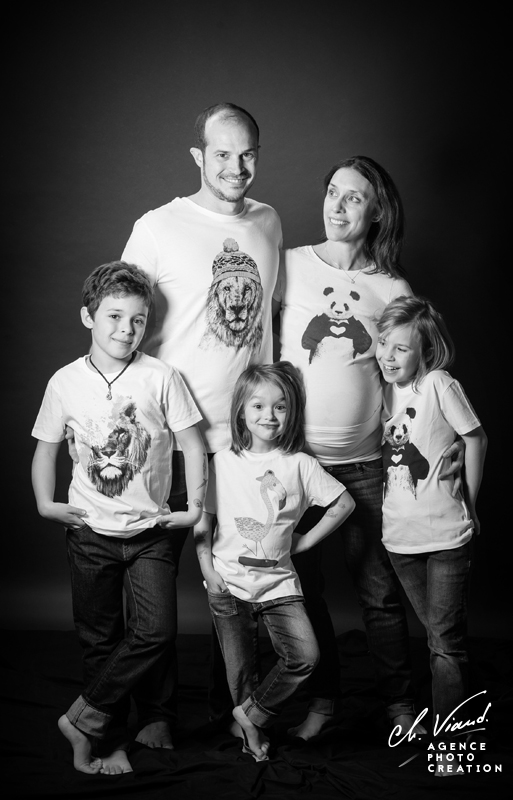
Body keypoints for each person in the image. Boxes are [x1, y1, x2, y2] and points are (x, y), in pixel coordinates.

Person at [273, 155, 464, 740]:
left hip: (366, 465)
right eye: (332, 191)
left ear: (377, 210)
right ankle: (322, 701)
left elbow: (413, 377)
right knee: (305, 592)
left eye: (354, 197)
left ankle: (398, 704)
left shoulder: (393, 287)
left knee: (379, 594)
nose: (337, 205)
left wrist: (452, 438)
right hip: (298, 463)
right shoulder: (289, 266)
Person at [121, 102, 282, 743]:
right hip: (169, 438)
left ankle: (232, 711)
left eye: (247, 155)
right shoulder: (157, 227)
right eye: (222, 154)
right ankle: (155, 715)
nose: (236, 167)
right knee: (154, 583)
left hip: (243, 440)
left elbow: (267, 326)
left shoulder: (268, 221)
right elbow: (121, 321)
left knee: (236, 586)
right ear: (198, 157)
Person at [31, 262, 206, 774]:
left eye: (137, 320)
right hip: (88, 532)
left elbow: (193, 445)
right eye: (114, 317)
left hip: (151, 531)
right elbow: (45, 450)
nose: (126, 330)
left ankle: (89, 718)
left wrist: (195, 507)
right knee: (99, 639)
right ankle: (107, 739)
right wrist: (44, 503)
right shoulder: (64, 382)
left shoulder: (161, 377)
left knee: (155, 632)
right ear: (88, 317)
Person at [193, 362, 355, 761]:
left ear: (291, 412)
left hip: (280, 583)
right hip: (229, 584)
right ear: (241, 411)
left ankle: (251, 716)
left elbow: (344, 503)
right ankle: (251, 736)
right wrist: (208, 570)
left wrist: (305, 541)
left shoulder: (299, 464)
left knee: (305, 656)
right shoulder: (221, 463)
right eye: (259, 406)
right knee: (240, 674)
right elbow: (203, 522)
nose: (269, 415)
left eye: (280, 407)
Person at [376, 295, 487, 757]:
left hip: (444, 535)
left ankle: (456, 746)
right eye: (383, 343)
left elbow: (475, 437)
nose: (388, 356)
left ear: (425, 351)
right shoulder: (382, 391)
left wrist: (470, 503)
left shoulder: (439, 383)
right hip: (398, 540)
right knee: (441, 637)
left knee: (444, 643)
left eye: (401, 348)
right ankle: (458, 710)